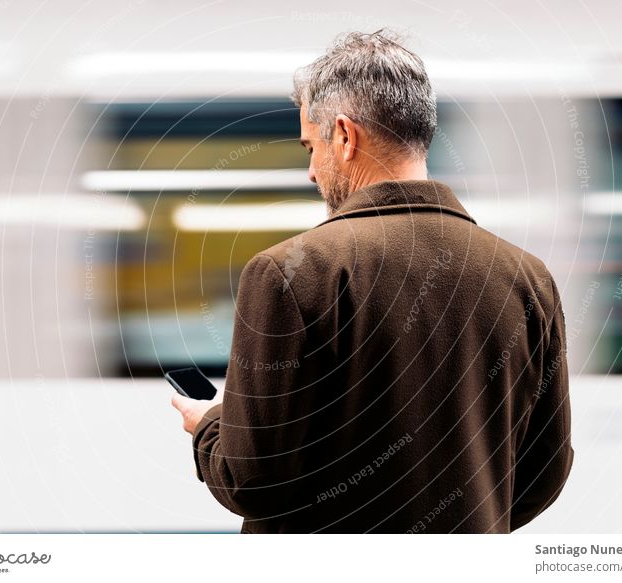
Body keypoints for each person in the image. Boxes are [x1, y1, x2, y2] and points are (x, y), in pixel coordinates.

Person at [171, 28, 574, 533]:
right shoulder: (527, 277)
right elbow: (545, 470)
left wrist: (210, 425)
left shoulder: (292, 272)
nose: (311, 172)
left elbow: (254, 480)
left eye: (309, 147)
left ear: (343, 136)